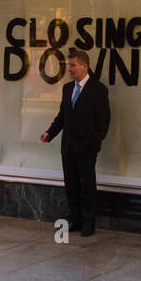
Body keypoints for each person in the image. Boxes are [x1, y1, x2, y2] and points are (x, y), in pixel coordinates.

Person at [39, 48, 110, 237]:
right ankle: (75, 220)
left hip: (86, 148)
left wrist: (94, 144)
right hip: (68, 146)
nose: (69, 69)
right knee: (71, 185)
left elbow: (103, 121)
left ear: (84, 66)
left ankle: (89, 223)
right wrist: (50, 133)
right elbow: (63, 116)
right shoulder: (68, 88)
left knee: (87, 185)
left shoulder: (98, 89)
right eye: (68, 66)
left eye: (72, 65)